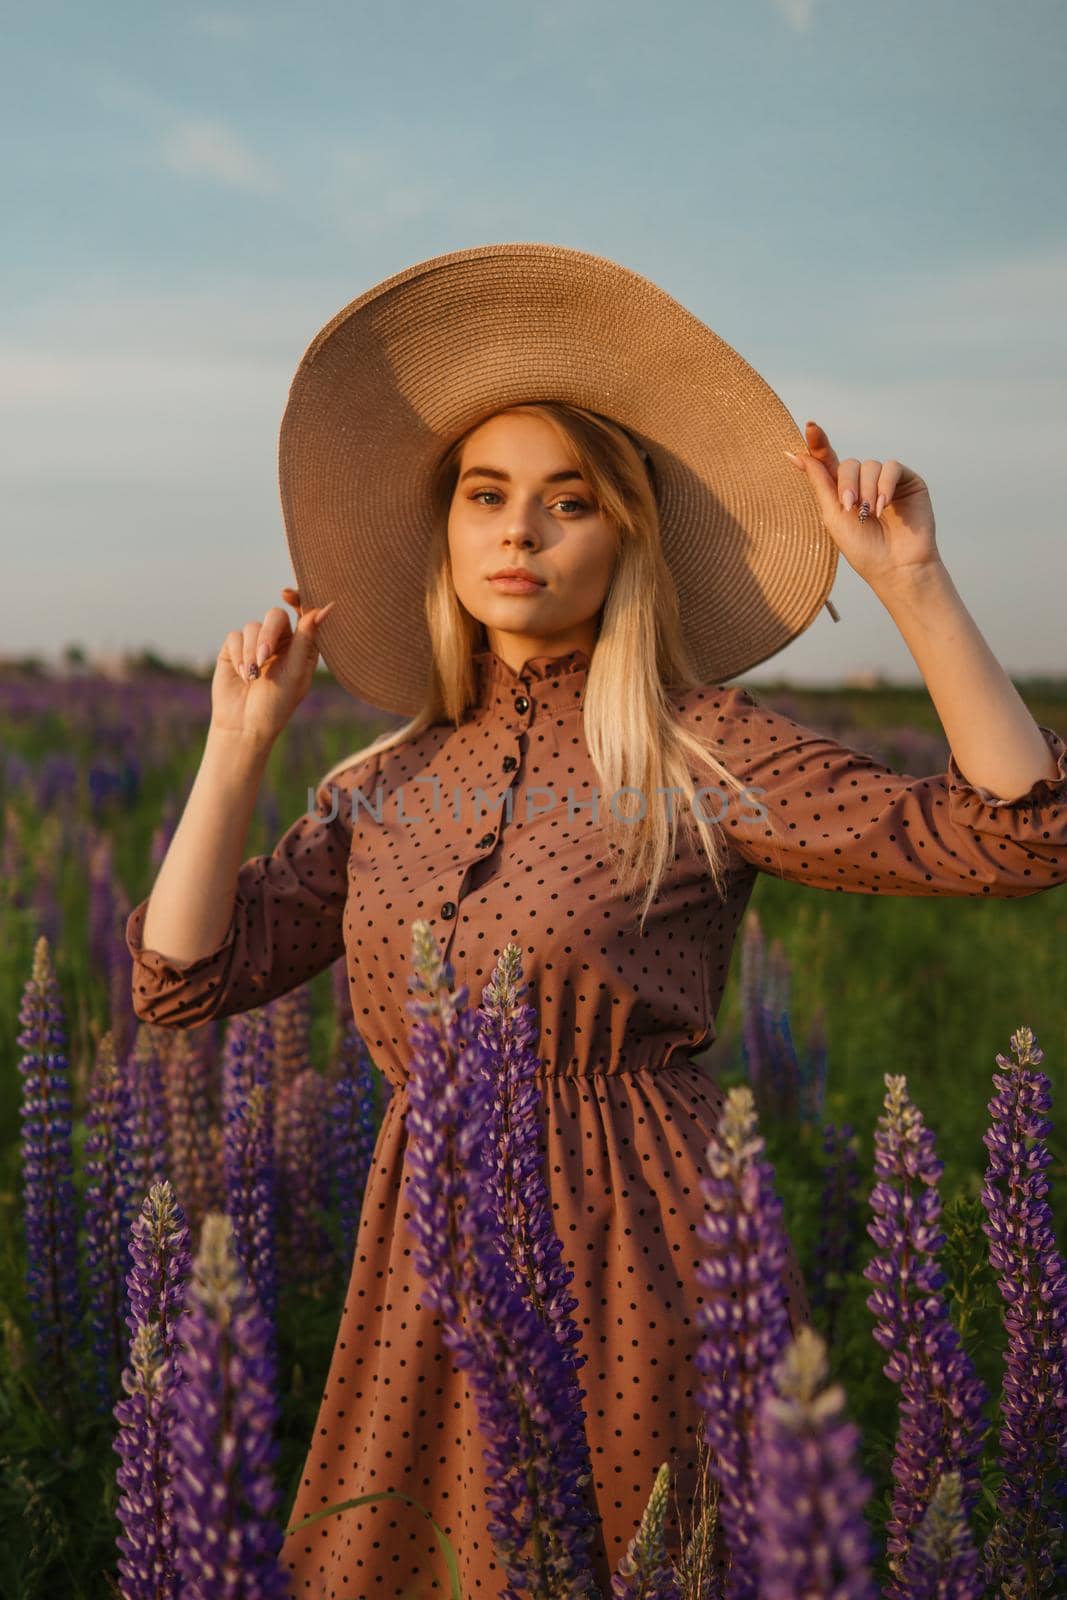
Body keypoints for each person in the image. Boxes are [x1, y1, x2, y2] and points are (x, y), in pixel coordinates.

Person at [126, 244, 1067, 1599]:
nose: (522, 530)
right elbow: (178, 981)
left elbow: (1015, 835)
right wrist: (234, 747)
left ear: (624, 534)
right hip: (423, 1272)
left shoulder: (696, 751)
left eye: (570, 502)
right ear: (443, 532)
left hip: (643, 1262)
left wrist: (914, 584)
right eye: (487, 496)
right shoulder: (386, 787)